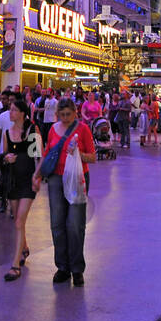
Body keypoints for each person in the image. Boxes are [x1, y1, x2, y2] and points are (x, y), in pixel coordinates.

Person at [35, 97, 95, 285]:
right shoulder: (53, 129)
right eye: (62, 115)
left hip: (77, 179)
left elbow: (92, 157)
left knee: (75, 225)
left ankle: (77, 268)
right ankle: (62, 266)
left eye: (69, 114)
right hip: (55, 179)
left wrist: (78, 154)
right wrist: (37, 174)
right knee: (57, 223)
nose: (66, 118)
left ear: (75, 113)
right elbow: (47, 153)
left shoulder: (83, 129)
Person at [1, 97, 42, 280]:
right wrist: (6, 158)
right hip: (13, 180)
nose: (11, 113)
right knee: (17, 219)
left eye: (14, 110)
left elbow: (38, 156)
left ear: (23, 113)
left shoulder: (32, 130)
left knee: (19, 221)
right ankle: (24, 248)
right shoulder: (7, 133)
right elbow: (3, 155)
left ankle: (15, 264)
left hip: (27, 180)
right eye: (10, 109)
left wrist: (37, 176)